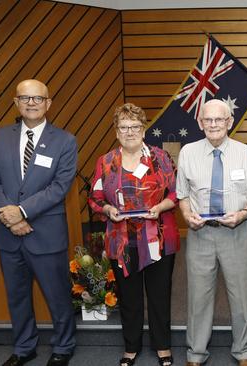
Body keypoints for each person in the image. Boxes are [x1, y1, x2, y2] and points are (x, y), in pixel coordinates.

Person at [0, 79, 77, 366]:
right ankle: (24, 347)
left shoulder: (65, 141)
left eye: (38, 98)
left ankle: (64, 346)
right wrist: (10, 216)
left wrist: (21, 212)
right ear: (16, 102)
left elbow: (60, 187)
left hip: (44, 232)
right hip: (8, 233)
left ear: (48, 103)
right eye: (25, 98)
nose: (32, 103)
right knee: (17, 296)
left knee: (58, 295)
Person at [88, 103, 179, 366]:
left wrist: (160, 207)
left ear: (144, 129)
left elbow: (175, 193)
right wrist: (107, 208)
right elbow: (94, 198)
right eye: (124, 127)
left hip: (158, 237)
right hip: (121, 239)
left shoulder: (160, 158)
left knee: (159, 294)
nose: (130, 132)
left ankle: (163, 346)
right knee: (129, 296)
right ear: (116, 132)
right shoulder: (104, 163)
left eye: (135, 126)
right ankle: (131, 346)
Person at [177, 99, 247, 366]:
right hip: (201, 234)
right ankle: (196, 354)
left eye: (219, 120)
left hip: (237, 233)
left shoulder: (246, 153)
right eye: (208, 120)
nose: (213, 124)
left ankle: (244, 352)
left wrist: (244, 213)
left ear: (229, 122)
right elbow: (182, 195)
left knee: (242, 295)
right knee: (198, 297)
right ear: (200, 123)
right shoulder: (188, 153)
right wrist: (186, 214)